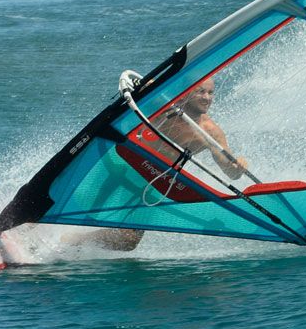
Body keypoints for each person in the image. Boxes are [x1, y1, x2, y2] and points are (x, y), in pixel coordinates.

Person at [81, 76, 249, 251]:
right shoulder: (166, 107)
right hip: (128, 163)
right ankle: (66, 237)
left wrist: (240, 166)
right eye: (200, 91)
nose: (207, 98)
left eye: (210, 92)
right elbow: (143, 89)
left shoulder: (210, 132)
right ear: (186, 92)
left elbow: (231, 172)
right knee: (85, 215)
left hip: (155, 181)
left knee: (129, 241)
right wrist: (149, 83)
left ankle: (75, 242)